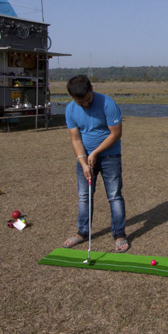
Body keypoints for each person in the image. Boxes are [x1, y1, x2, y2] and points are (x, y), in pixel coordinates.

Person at [62, 75, 128, 252]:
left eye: (87, 100)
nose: (85, 105)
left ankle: (119, 234)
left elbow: (116, 134)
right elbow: (75, 139)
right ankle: (82, 233)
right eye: (80, 103)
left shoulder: (108, 103)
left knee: (114, 195)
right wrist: (83, 162)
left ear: (92, 89)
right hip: (85, 159)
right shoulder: (70, 110)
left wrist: (96, 153)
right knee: (84, 196)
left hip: (110, 157)